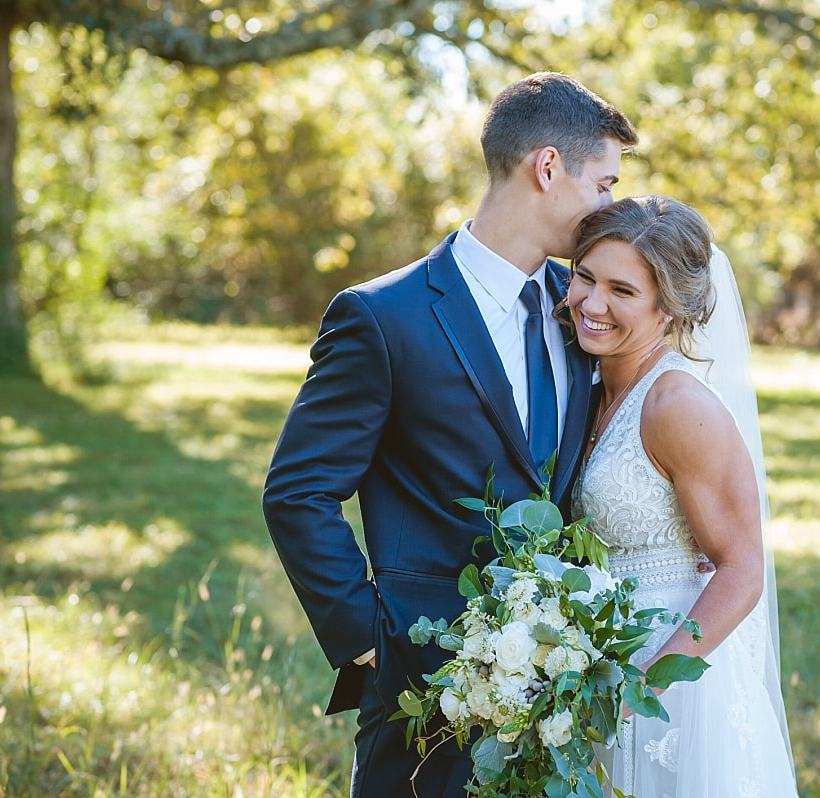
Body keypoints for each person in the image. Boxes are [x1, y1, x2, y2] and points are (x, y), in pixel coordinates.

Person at [261, 73, 637, 798]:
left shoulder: (580, 312)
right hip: (422, 681)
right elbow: (298, 492)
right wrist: (373, 642)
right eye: (604, 183)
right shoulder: (382, 317)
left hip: (550, 693)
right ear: (548, 167)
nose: (610, 207)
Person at [567, 195, 799, 797]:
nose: (592, 304)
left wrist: (650, 680)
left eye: (622, 291)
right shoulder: (589, 386)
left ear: (669, 307)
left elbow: (743, 567)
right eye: (584, 277)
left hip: (668, 679)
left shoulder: (677, 404)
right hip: (592, 665)